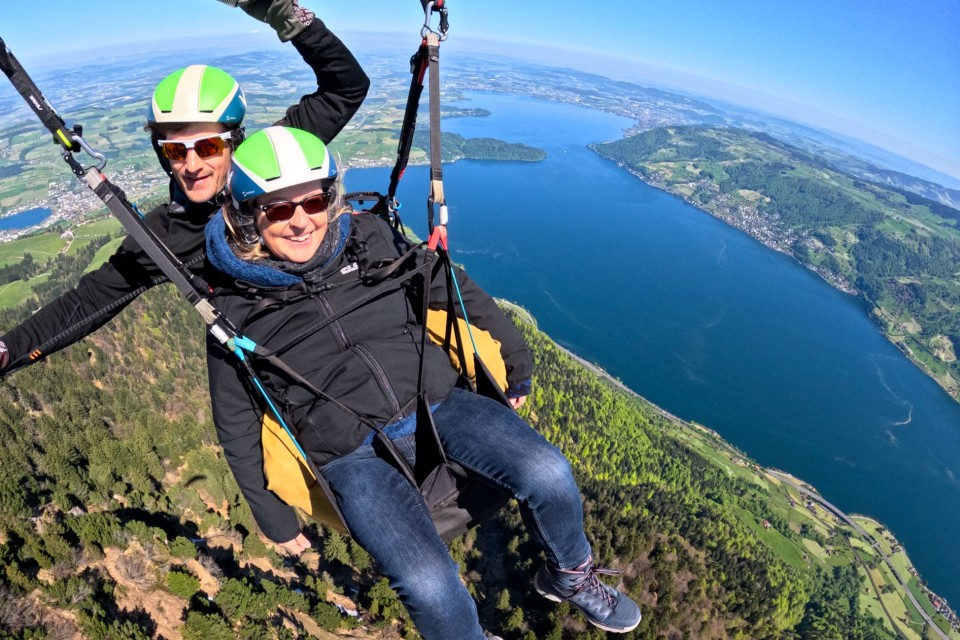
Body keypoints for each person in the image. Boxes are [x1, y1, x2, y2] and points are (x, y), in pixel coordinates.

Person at [204, 125, 643, 637]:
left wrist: (515, 357)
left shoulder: (369, 238)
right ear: (249, 218)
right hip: (348, 454)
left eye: (315, 201)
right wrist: (270, 514)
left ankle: (569, 576)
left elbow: (451, 290)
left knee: (548, 474)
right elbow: (234, 417)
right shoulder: (232, 307)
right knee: (428, 582)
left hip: (435, 399)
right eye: (279, 208)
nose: (302, 222)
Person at [0, 0, 368, 375]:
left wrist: (286, 17)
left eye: (208, 147)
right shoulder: (170, 234)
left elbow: (346, 87)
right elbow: (91, 300)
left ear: (233, 142)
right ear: (164, 155)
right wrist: (7, 348)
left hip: (357, 320)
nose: (192, 166)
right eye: (176, 150)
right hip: (292, 366)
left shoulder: (274, 163)